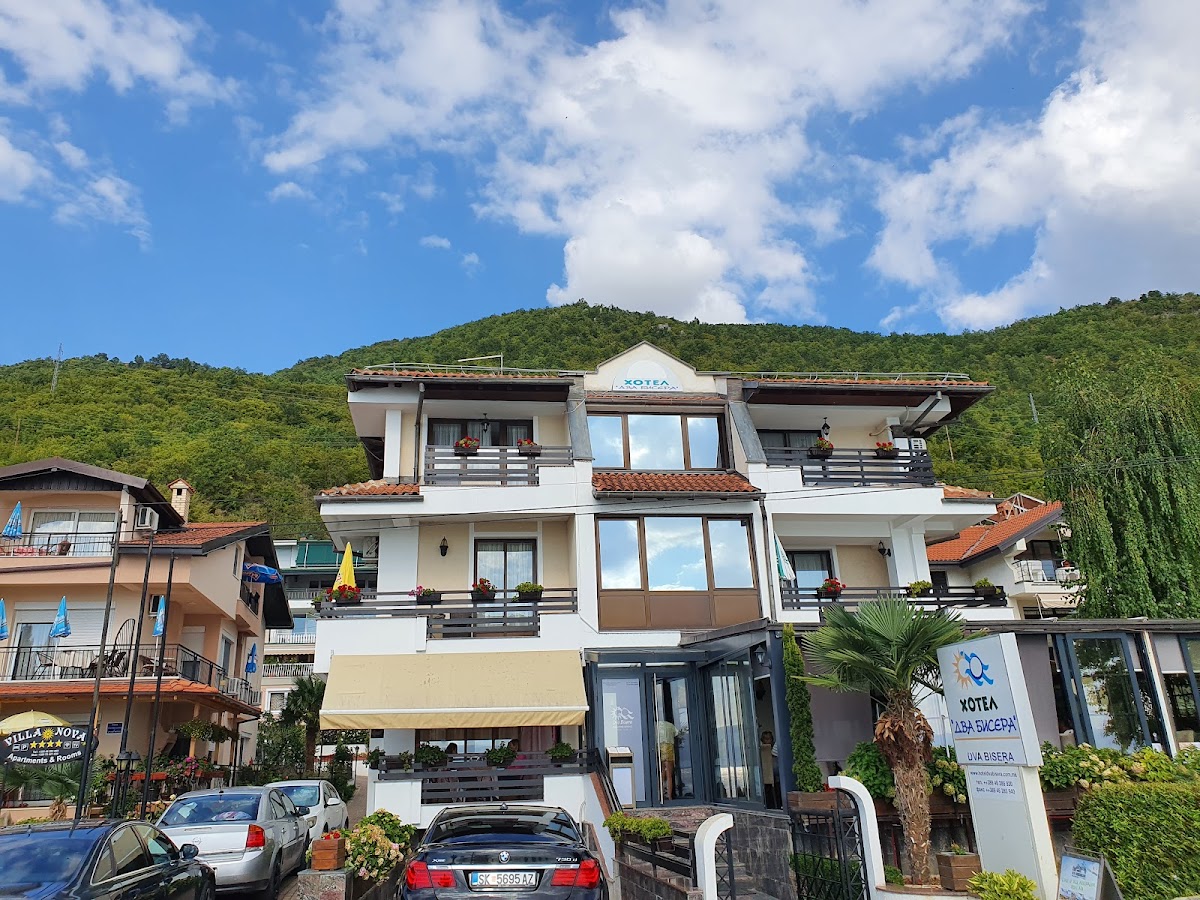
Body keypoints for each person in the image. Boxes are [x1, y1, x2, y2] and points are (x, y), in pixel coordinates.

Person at [760, 730, 780, 808]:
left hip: (776, 776)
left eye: (769, 739)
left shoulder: (775, 749)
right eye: (766, 739)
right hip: (766, 776)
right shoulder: (762, 750)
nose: (768, 741)